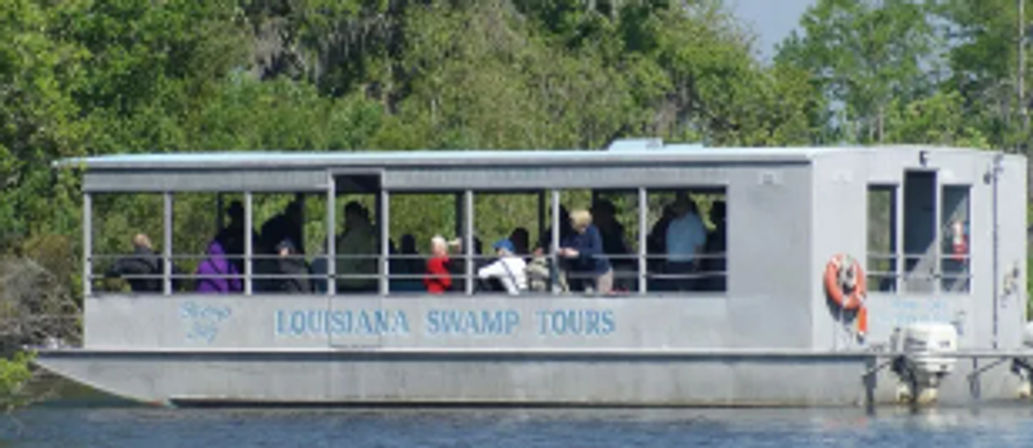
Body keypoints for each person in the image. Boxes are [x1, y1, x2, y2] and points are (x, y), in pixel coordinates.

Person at [558, 209, 613, 294]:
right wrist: (564, 250)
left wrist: (578, 253)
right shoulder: (572, 233)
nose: (570, 223)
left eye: (572, 221)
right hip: (583, 272)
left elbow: (596, 250)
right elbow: (566, 243)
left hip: (600, 271)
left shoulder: (593, 231)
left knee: (601, 299)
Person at [664, 195, 707, 291]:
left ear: (686, 207)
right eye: (675, 206)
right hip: (672, 265)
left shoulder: (695, 223)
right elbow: (668, 244)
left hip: (687, 265)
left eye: (678, 205)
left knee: (685, 295)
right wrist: (666, 261)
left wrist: (695, 266)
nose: (675, 208)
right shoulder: (672, 223)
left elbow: (699, 245)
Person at [335, 202, 377, 293]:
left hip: (358, 285)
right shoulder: (350, 234)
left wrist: (352, 263)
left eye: (347, 215)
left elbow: (366, 254)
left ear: (355, 215)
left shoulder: (363, 234)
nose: (346, 219)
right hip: (348, 282)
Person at [702, 201, 727, 291]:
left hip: (719, 264)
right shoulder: (721, 228)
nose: (709, 214)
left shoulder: (723, 229)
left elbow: (717, 245)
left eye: (712, 211)